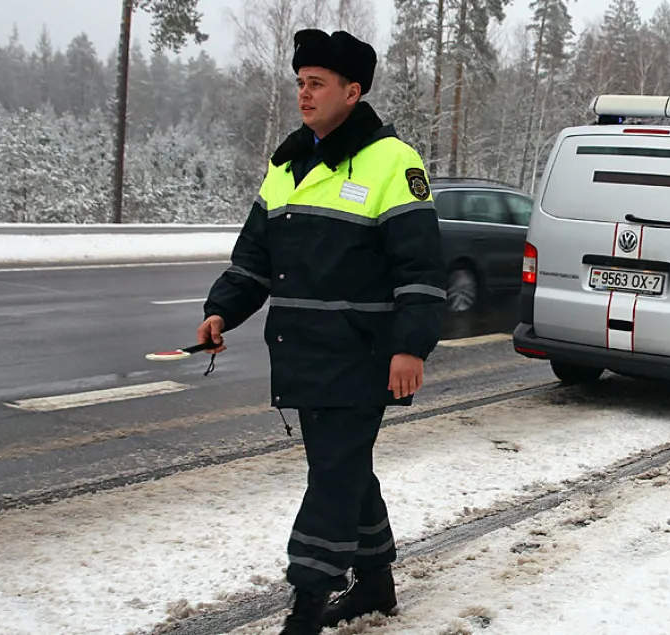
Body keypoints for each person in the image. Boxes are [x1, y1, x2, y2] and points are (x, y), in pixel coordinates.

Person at [194, 28, 446, 635]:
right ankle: (377, 586)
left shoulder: (393, 162)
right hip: (302, 353)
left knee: (333, 473)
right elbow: (254, 257)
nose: (303, 94)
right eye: (300, 82)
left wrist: (410, 346)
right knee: (344, 469)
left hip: (363, 354)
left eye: (317, 84)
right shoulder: (285, 166)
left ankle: (307, 607)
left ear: (352, 92)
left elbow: (420, 269)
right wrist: (221, 311)